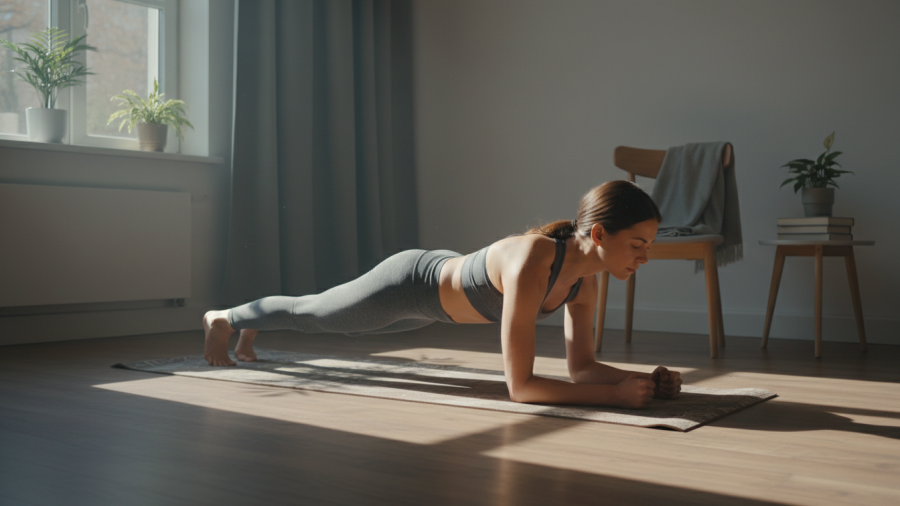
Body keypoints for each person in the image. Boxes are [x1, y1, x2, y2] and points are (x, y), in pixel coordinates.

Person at [203, 180, 682, 409]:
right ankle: (225, 318)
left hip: (437, 312)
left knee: (319, 315)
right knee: (324, 315)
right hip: (410, 284)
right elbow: (522, 388)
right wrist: (614, 398)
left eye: (649, 247)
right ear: (598, 235)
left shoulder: (583, 283)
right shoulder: (534, 260)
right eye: (637, 245)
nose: (644, 258)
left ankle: (248, 327)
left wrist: (639, 379)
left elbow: (581, 370)